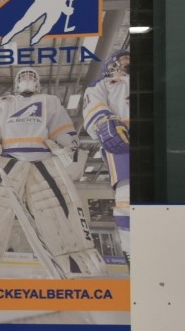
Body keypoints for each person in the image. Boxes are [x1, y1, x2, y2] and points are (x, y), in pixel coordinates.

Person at [0, 68, 106, 279]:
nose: (27, 79)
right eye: (23, 76)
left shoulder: (49, 100)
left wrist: (70, 149)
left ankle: (77, 263)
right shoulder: (3, 101)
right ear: (16, 82)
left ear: (38, 83)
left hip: (42, 160)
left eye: (32, 76)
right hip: (7, 160)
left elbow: (62, 128)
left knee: (59, 210)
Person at [82, 49, 130, 264]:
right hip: (124, 142)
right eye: (124, 59)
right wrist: (104, 123)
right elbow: (93, 107)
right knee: (127, 197)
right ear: (111, 64)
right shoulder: (104, 83)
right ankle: (132, 251)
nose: (128, 61)